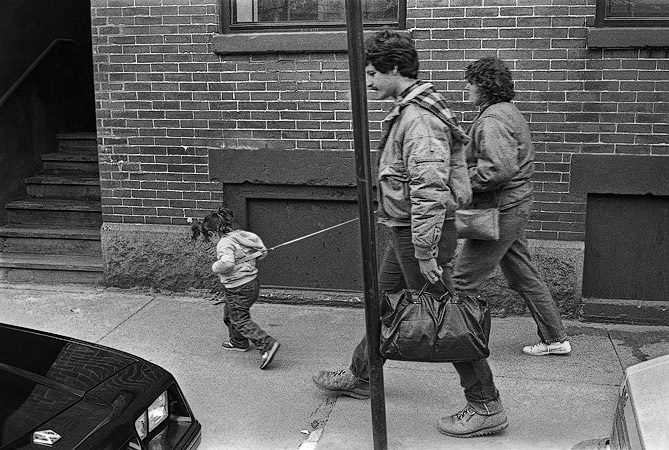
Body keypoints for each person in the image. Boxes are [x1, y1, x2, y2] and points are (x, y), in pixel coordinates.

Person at [312, 29, 509, 438]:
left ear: (395, 68)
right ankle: (363, 375)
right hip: (407, 230)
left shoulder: (418, 118)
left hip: (419, 236)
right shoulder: (412, 109)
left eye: (372, 74)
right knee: (381, 304)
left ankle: (485, 403)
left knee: (446, 317)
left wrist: (424, 250)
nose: (367, 83)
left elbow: (429, 188)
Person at [453, 57, 572, 357]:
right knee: (523, 274)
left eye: (471, 82)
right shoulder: (506, 113)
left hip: (502, 209)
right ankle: (555, 338)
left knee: (462, 279)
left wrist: (460, 180)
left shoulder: (493, 119)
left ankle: (463, 346)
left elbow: (496, 170)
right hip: (513, 205)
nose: (466, 86)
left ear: (484, 86)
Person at [191, 207, 280, 370]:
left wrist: (215, 267)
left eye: (208, 239)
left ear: (212, 234)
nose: (210, 243)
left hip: (239, 287)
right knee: (230, 315)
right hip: (250, 284)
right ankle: (238, 342)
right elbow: (259, 246)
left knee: (239, 319)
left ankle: (266, 344)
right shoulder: (239, 235)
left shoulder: (224, 243)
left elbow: (227, 263)